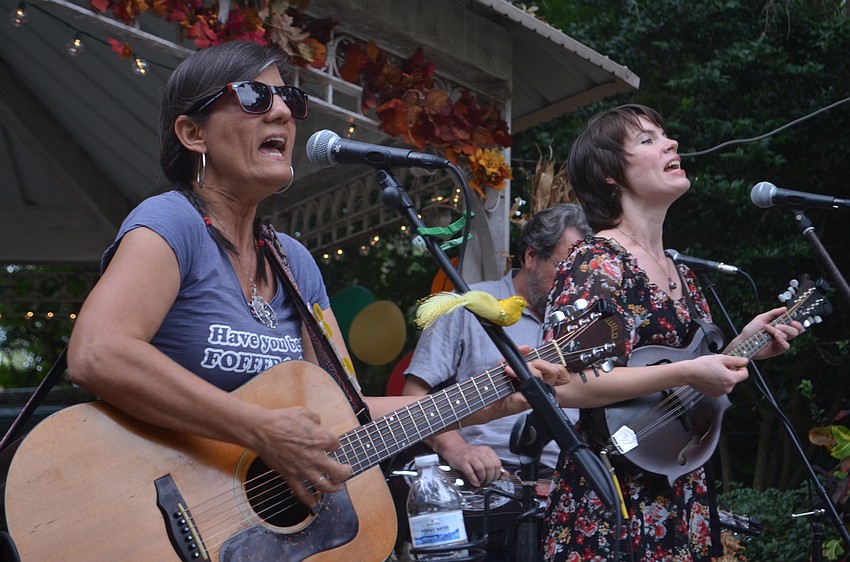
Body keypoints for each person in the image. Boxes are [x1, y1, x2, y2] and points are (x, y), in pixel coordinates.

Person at [65, 40, 567, 553]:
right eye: (254, 97)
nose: (282, 110)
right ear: (193, 133)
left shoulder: (293, 263)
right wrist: (260, 430)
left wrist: (485, 402)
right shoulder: (174, 222)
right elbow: (98, 353)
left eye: (289, 101)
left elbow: (347, 416)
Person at [538, 104, 803, 561]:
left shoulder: (683, 274)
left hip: (678, 488)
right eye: (647, 139)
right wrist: (688, 371)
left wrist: (745, 347)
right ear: (609, 175)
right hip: (613, 499)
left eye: (665, 135)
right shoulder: (597, 263)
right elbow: (566, 386)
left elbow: (682, 380)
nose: (671, 143)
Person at [401, 203, 592, 560]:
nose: (574, 281)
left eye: (581, 272)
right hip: (484, 489)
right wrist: (459, 450)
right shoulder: (469, 304)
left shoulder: (580, 325)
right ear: (532, 256)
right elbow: (413, 395)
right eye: (564, 268)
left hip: (565, 488)